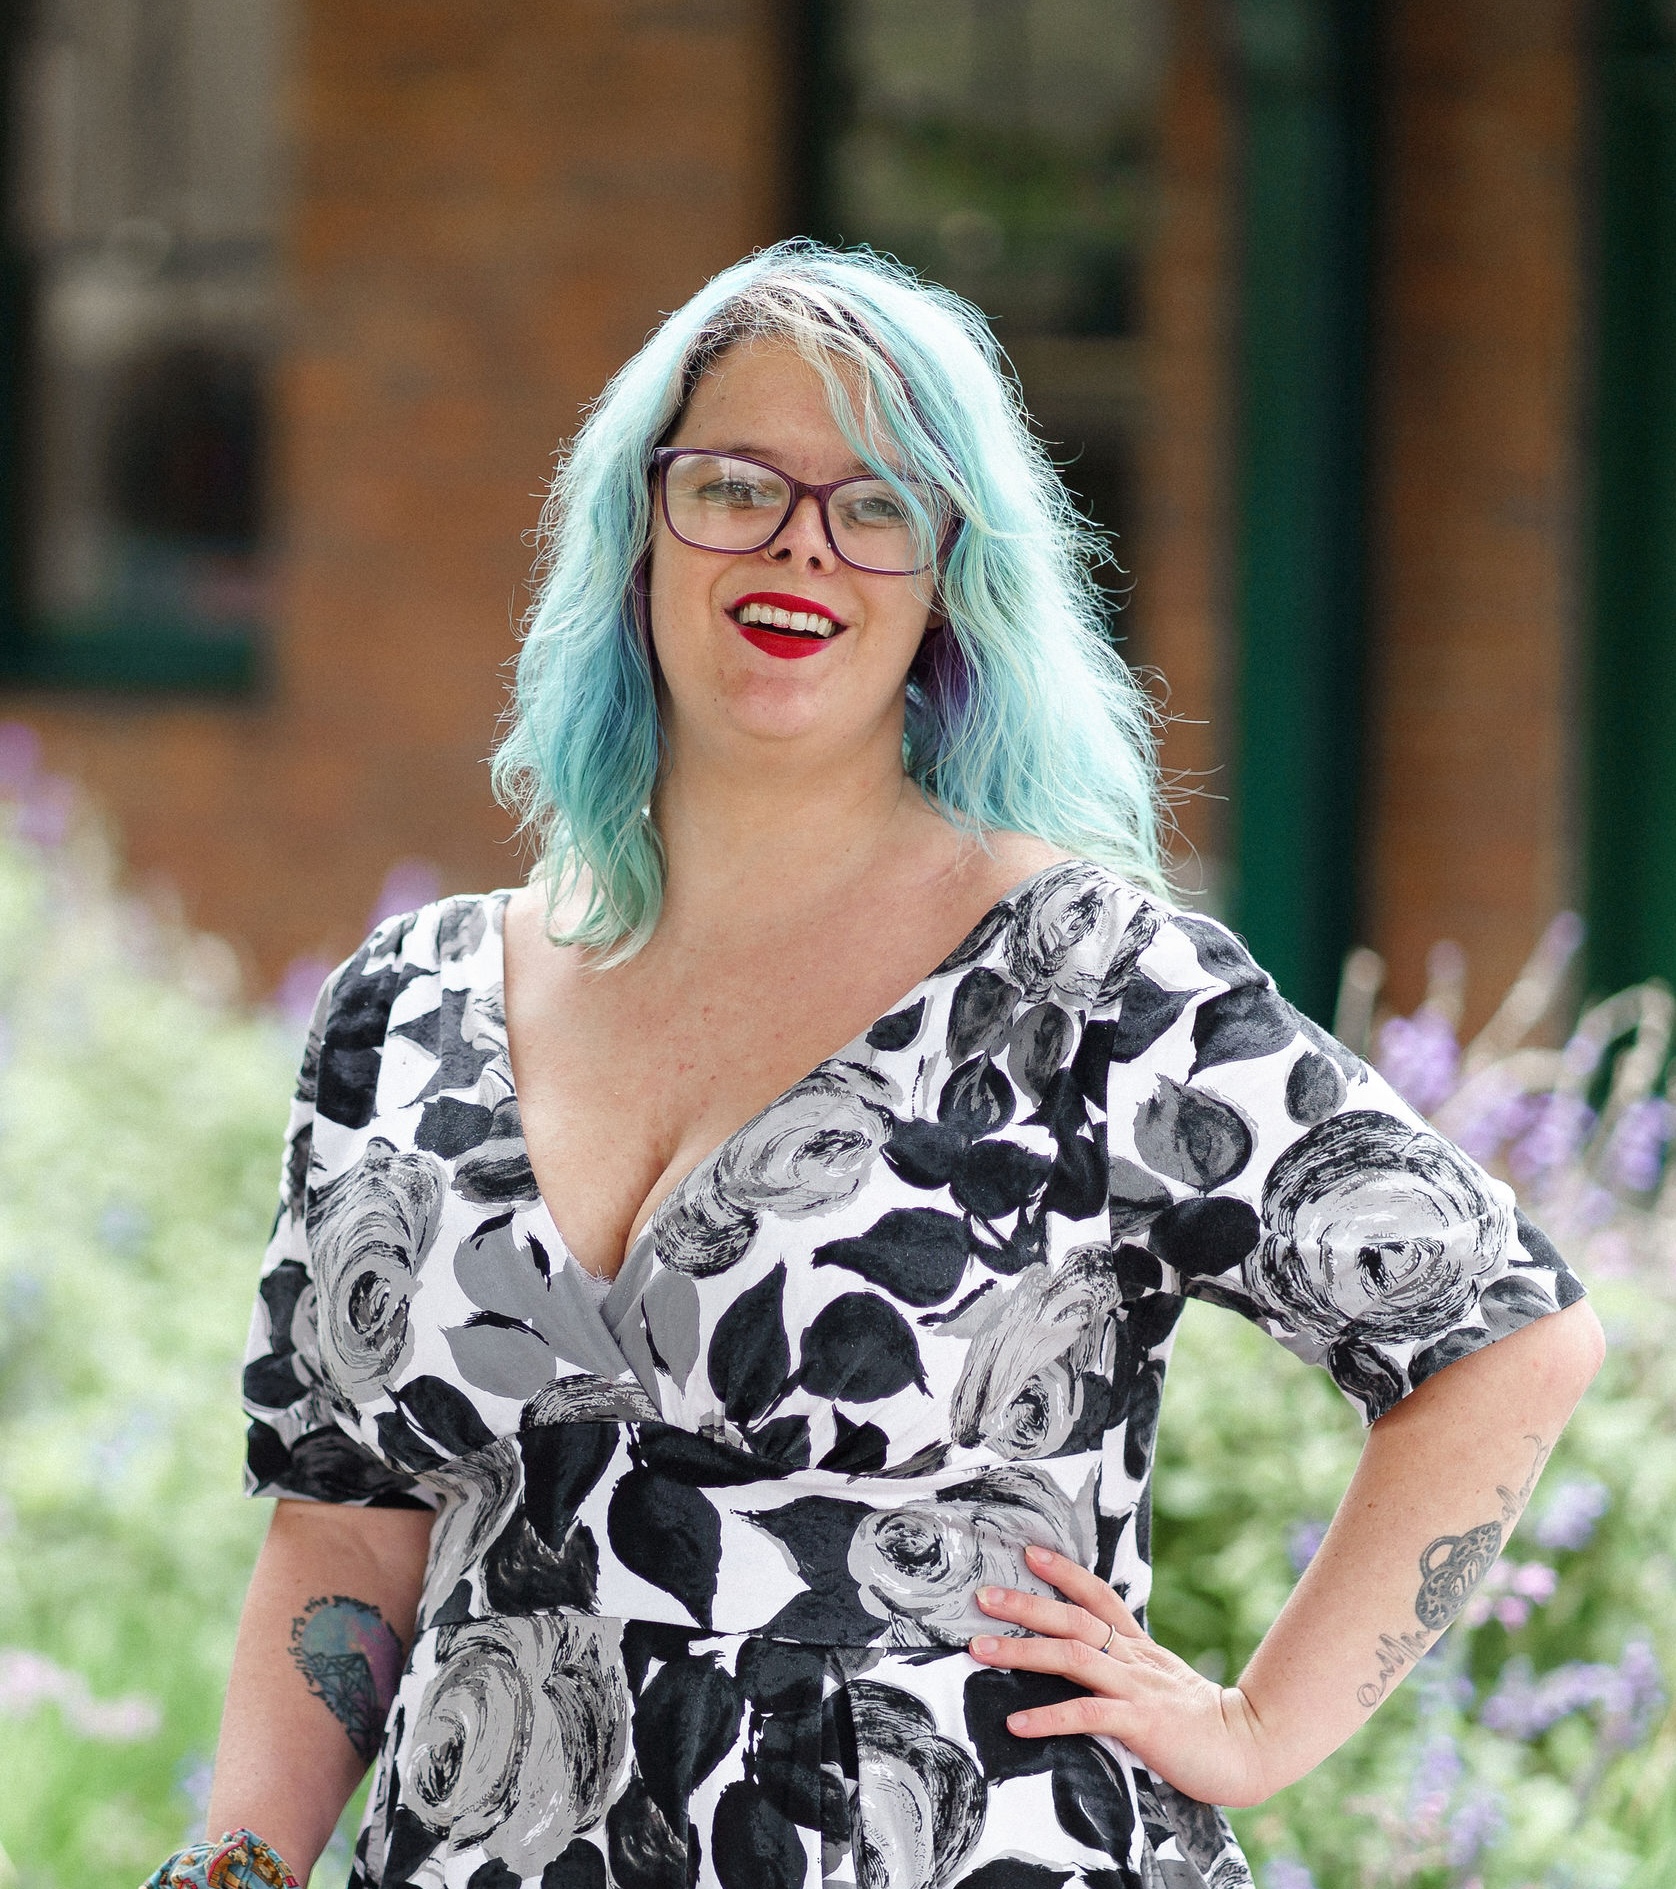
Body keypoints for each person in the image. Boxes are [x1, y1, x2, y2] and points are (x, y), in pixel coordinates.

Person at [146, 242, 1602, 1889]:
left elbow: (1508, 1337)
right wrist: (244, 1864)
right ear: (635, 531)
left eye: (877, 506)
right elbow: (348, 1521)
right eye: (734, 485)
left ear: (947, 579)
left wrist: (1260, 1728)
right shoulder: (405, 1005)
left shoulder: (1087, 981)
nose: (800, 543)